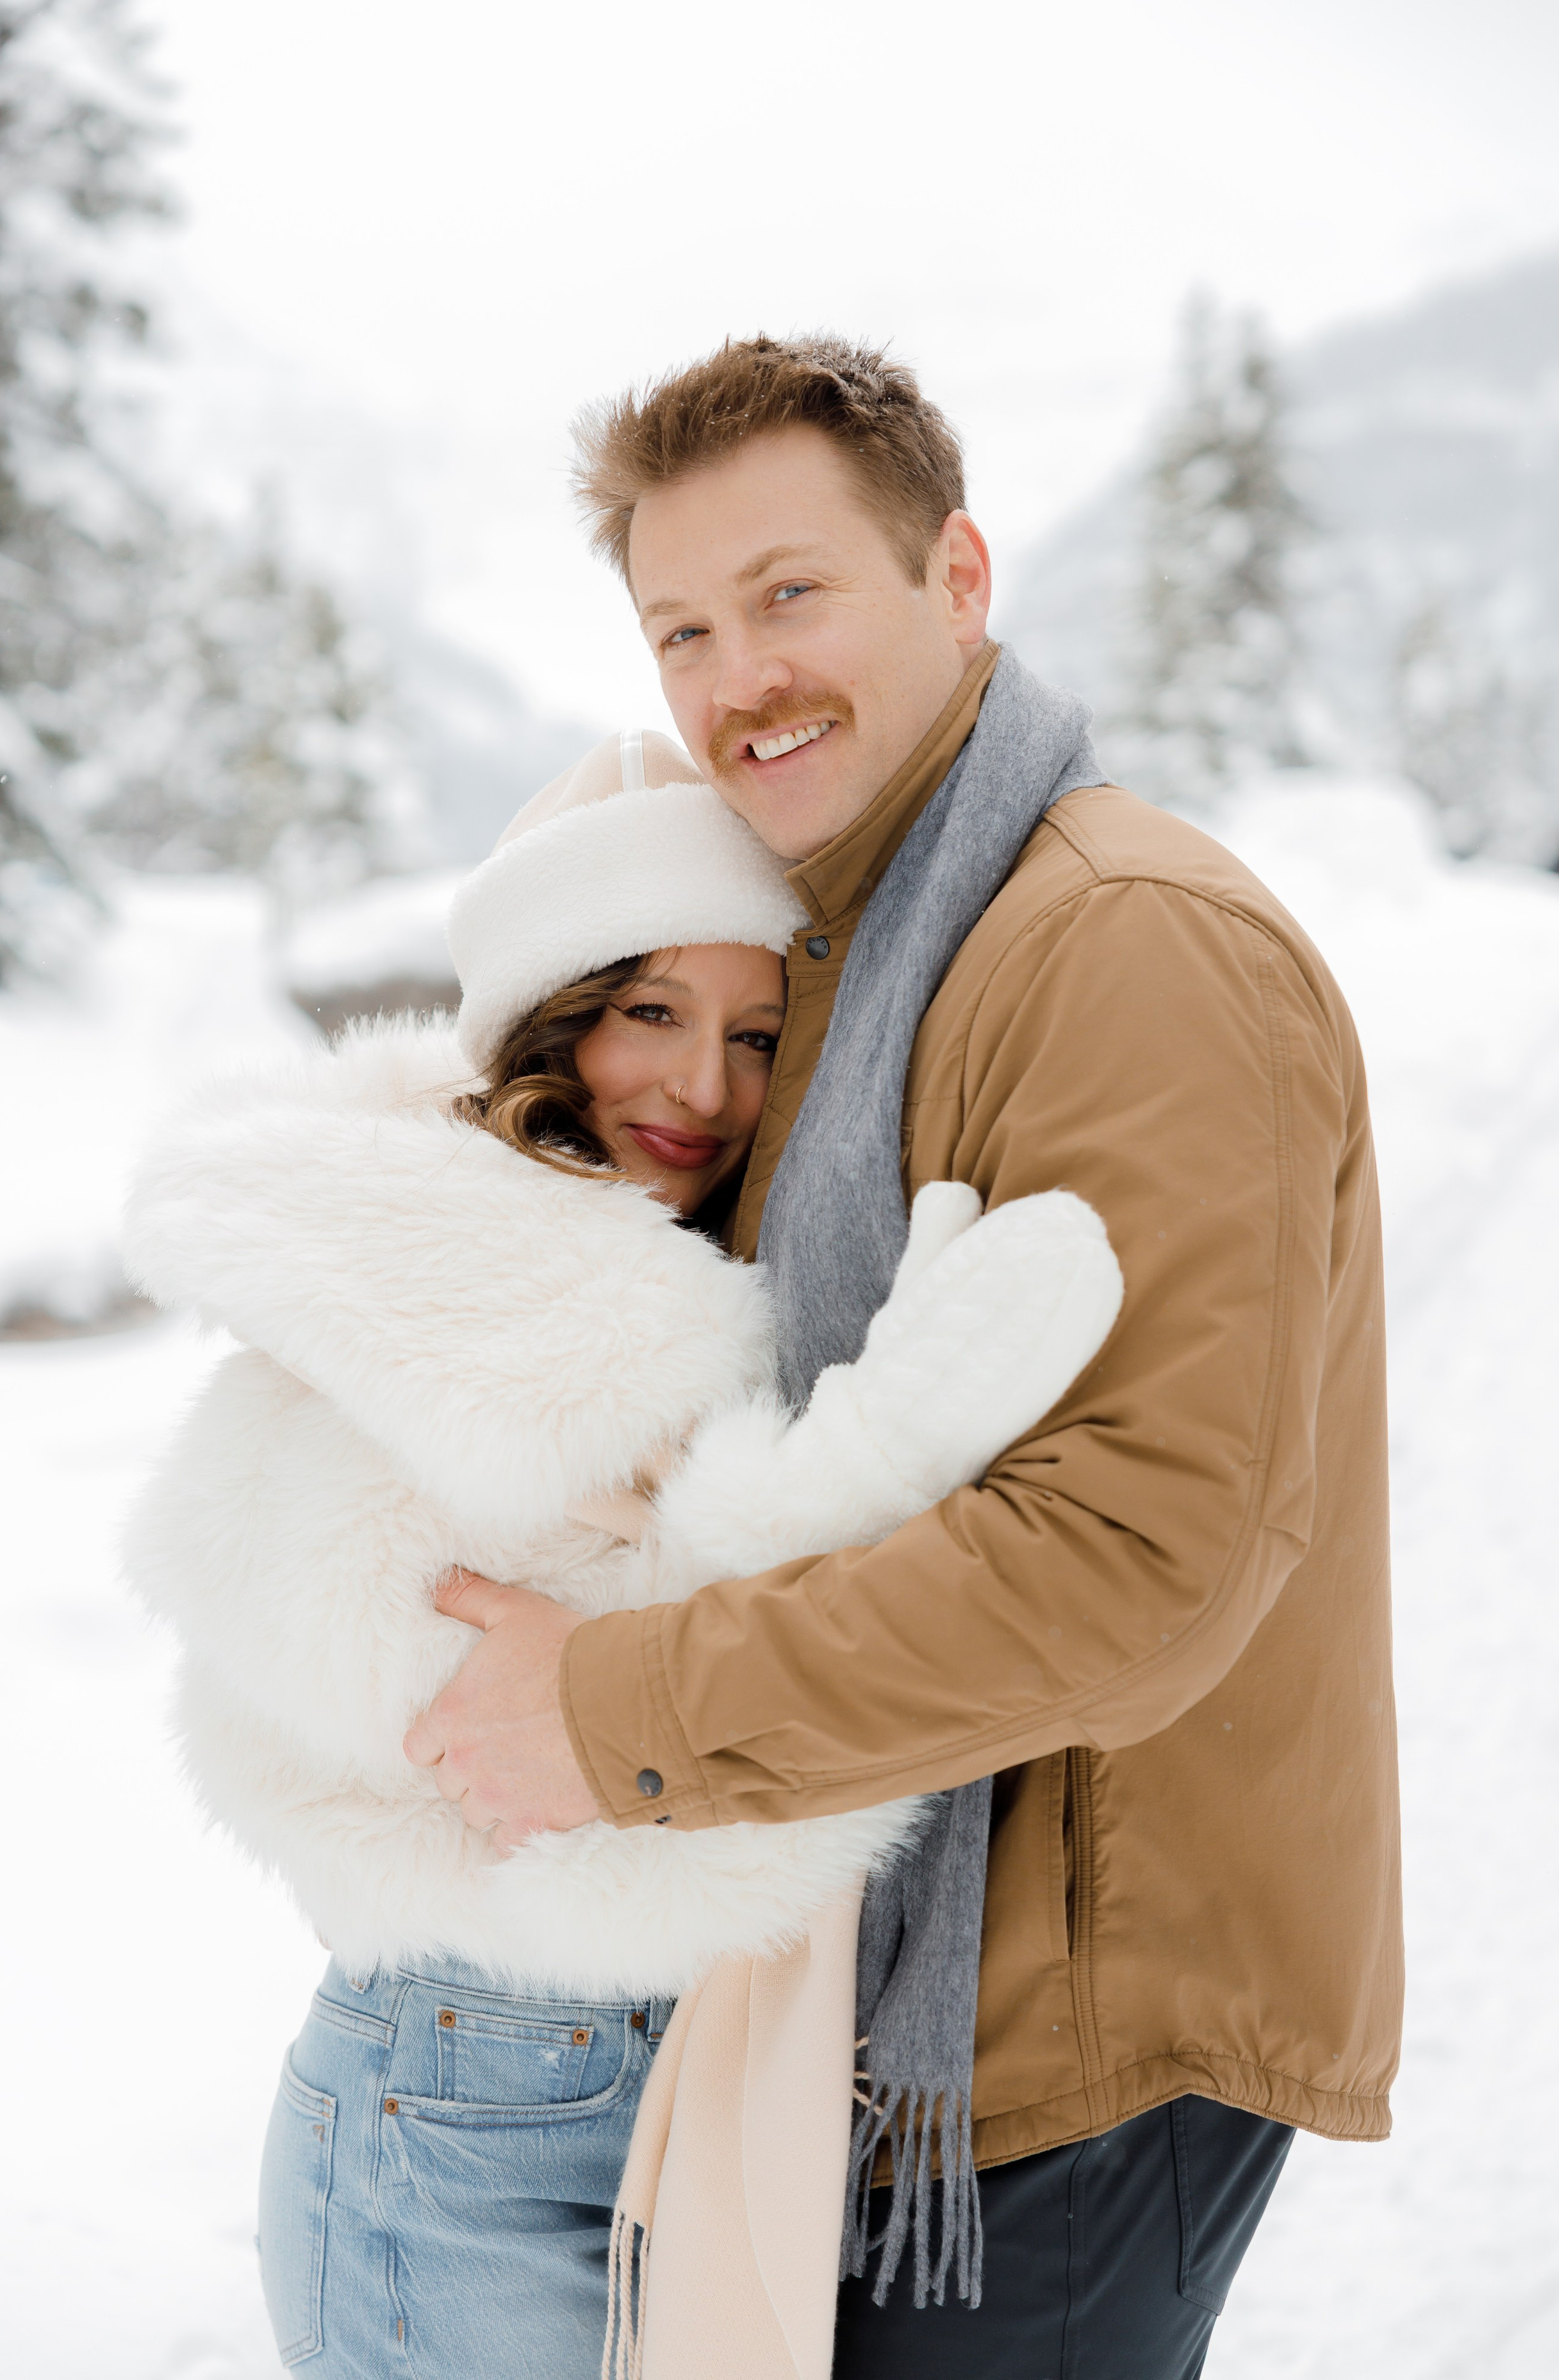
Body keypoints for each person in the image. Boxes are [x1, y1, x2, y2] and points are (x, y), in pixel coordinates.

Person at [416, 334, 1403, 2378]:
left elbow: (1139, 1562)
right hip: (925, 2007)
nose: (736, 677)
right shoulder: (862, 951)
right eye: (682, 627)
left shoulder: (1120, 944)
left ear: (958, 576)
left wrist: (618, 1711)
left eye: (791, 594)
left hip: (1068, 2027)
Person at [120, 730, 1123, 2379]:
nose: (702, 1089)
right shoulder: (440, 1256)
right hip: (471, 2073)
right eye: (646, 1012)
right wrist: (826, 1484)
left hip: (661, 2057)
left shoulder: (676, 1274)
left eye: (753, 1032)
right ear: (543, 1013)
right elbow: (361, 1645)